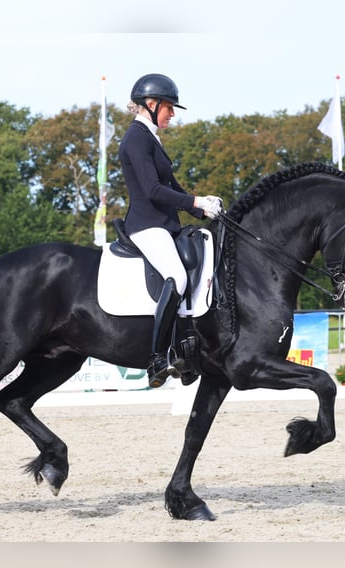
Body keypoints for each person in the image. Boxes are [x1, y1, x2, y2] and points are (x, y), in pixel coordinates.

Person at [118, 73, 222, 388]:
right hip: (146, 225)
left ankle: (186, 352)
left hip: (165, 225)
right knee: (176, 277)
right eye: (169, 107)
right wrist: (195, 200)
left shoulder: (151, 137)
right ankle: (156, 358)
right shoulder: (136, 137)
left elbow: (171, 187)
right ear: (151, 105)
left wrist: (201, 207)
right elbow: (152, 190)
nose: (172, 114)